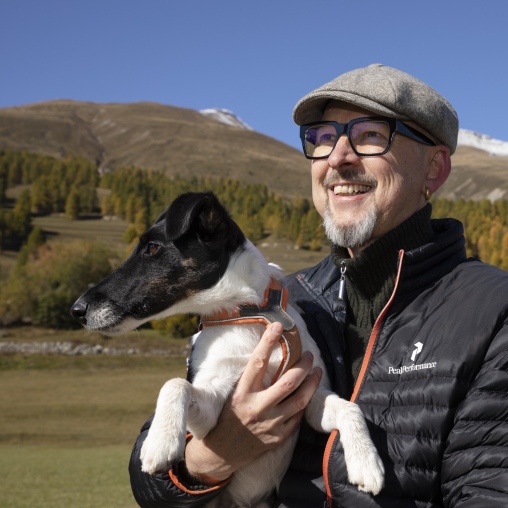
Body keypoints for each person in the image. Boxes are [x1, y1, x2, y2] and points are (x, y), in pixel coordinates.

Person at [129, 64, 508, 507]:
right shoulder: (277, 300)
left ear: (434, 169)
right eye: (322, 137)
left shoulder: (492, 310)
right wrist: (208, 461)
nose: (337, 158)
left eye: (370, 135)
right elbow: (151, 477)